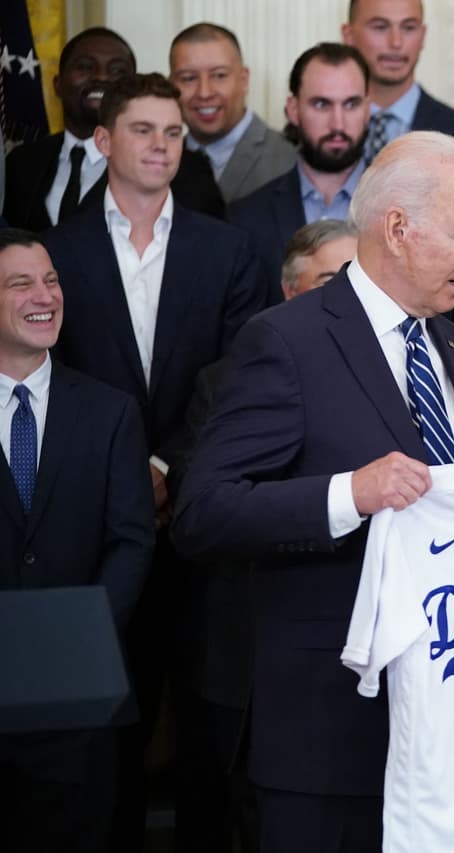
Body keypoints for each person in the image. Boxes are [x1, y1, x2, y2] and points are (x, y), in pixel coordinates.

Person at [171, 131, 454, 853]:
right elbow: (203, 511)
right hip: (328, 738)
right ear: (399, 229)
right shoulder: (285, 340)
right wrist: (349, 493)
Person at [41, 71, 268, 852]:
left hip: (201, 518)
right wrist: (122, 473)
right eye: (144, 130)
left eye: (174, 133)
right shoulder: (57, 254)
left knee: (206, 730)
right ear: (103, 141)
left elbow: (240, 380)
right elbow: (52, 379)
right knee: (104, 733)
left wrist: (168, 467)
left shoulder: (228, 250)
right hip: (91, 528)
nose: (163, 147)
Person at [165, 218, 357, 853]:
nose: (345, 296)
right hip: (241, 648)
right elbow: (206, 511)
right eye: (330, 281)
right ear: (289, 288)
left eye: (356, 281)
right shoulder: (226, 378)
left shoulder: (394, 371)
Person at [0, 228, 153, 853]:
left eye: (52, 280)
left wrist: (72, 638)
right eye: (21, 284)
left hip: (78, 703)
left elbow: (133, 541)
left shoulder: (110, 412)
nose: (45, 295)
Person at [4, 27, 225, 231]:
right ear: (57, 83)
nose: (101, 78)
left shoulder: (185, 169)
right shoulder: (22, 163)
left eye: (118, 71)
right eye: (85, 67)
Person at [229, 43, 370, 298]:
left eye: (351, 104)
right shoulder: (246, 220)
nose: (337, 123)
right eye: (321, 104)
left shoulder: (405, 212)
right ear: (293, 109)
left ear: (368, 109)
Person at [342, 0, 454, 158]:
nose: (396, 42)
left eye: (409, 28)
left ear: (423, 36)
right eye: (380, 27)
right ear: (349, 35)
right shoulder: (321, 129)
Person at [169, 23, 298, 203]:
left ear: (244, 80)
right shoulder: (159, 159)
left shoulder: (290, 159)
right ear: (172, 86)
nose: (204, 93)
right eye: (188, 78)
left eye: (219, 75)